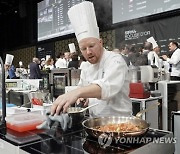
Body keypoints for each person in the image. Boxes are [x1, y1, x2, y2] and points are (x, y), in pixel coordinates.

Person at [51, 1, 132, 117]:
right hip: (95, 124)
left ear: (100, 42)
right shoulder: (87, 66)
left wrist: (77, 93)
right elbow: (83, 87)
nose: (88, 52)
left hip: (120, 123)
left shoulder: (115, 60)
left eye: (91, 46)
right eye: (83, 48)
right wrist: (82, 96)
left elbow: (107, 87)